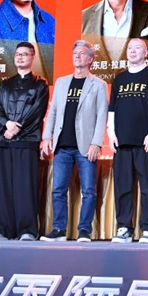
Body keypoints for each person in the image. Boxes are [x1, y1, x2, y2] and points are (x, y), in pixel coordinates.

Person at [40, 40, 108, 242]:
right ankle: (59, 230)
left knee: (88, 190)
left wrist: (96, 143)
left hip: (86, 146)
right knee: (58, 190)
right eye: (75, 53)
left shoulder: (98, 85)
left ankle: (84, 230)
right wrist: (46, 137)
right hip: (62, 146)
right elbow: (52, 113)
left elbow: (101, 115)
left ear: (90, 59)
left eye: (82, 53)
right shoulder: (61, 82)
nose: (77, 56)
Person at [0, 42, 49, 241]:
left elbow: (37, 111)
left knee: (26, 187)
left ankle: (27, 230)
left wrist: (16, 127)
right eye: (18, 55)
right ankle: (1, 229)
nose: (20, 58)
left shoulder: (40, 84)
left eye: (25, 54)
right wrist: (6, 125)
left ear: (33, 58)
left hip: (27, 142)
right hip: (5, 142)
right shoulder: (4, 85)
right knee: (2, 187)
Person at [108, 38, 148, 243]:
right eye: (130, 48)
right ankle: (124, 227)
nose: (132, 51)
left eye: (137, 48)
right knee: (123, 187)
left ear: (146, 53)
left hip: (146, 142)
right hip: (122, 142)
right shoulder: (119, 79)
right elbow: (112, 109)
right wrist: (111, 133)